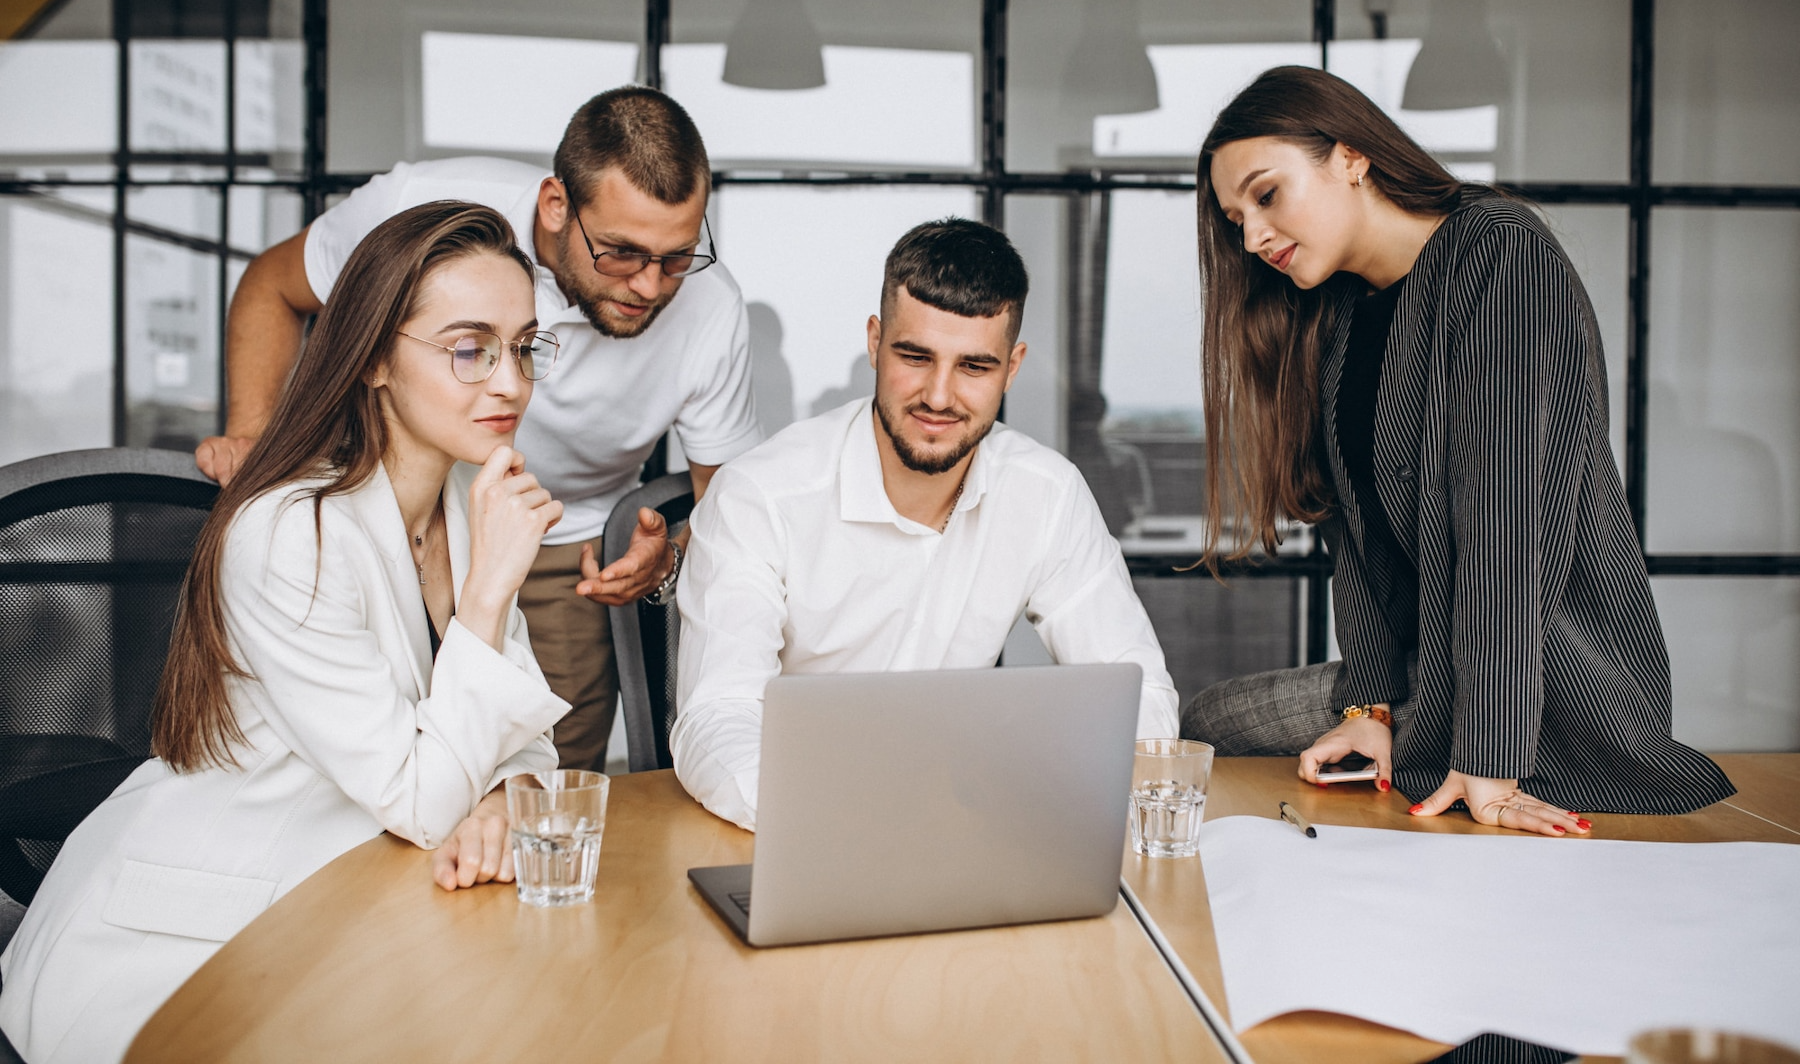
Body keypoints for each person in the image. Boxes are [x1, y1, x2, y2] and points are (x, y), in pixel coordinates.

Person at [0, 202, 572, 1063]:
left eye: (524, 347)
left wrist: (497, 800)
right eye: (470, 348)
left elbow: (524, 744)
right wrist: (487, 598)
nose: (510, 383)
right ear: (376, 357)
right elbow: (420, 801)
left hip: (354, 911)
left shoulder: (465, 506)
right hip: (196, 949)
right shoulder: (287, 532)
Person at [1179, 66, 1735, 835]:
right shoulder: (1336, 317)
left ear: (1351, 157)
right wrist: (1365, 708)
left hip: (1535, 679)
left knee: (1213, 722)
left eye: (1266, 195)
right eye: (1235, 218)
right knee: (1208, 717)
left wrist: (1491, 757)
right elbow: (1359, 546)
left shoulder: (1499, 255)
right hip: (1416, 675)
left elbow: (1505, 524)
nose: (1253, 236)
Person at [193, 87, 762, 771]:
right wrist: (253, 439)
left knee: (537, 790)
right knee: (356, 763)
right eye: (621, 253)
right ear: (556, 205)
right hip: (385, 504)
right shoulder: (426, 211)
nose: (650, 286)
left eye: (676, 258)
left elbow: (729, 510)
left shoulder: (710, 306)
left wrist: (667, 556)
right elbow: (273, 287)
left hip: (561, 545)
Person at [671, 218, 1180, 831]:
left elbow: (1140, 694)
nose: (939, 397)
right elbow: (717, 715)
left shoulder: (1046, 493)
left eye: (974, 367)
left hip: (966, 824)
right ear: (874, 342)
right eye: (915, 357)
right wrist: (841, 819)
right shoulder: (761, 495)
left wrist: (1053, 803)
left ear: (1012, 368)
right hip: (797, 827)